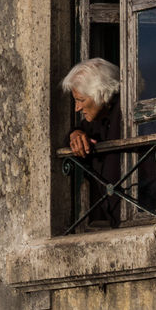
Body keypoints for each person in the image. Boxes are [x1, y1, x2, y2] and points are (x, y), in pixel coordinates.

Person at [60, 58, 123, 228]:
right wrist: (75, 134)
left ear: (101, 94)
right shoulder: (97, 118)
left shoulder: (125, 113)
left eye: (81, 100)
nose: (77, 108)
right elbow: (74, 132)